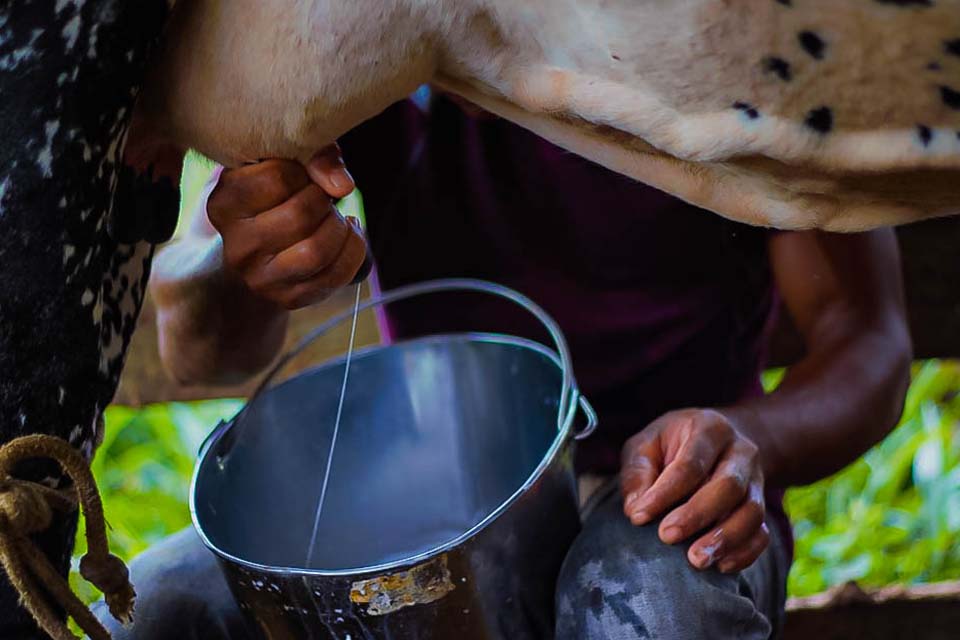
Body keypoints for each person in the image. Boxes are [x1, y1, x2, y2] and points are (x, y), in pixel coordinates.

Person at [96, 90, 912, 639]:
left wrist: (745, 438)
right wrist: (247, 252)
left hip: (667, 491)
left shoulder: (730, 54)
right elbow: (198, 349)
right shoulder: (364, 50)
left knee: (649, 603)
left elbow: (867, 339)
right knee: (157, 607)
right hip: (436, 491)